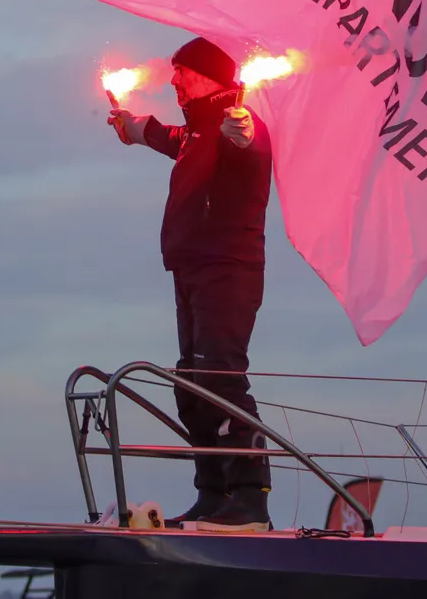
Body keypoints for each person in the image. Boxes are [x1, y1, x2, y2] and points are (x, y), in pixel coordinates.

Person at [107, 36, 273, 532]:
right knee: (192, 384)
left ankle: (249, 503)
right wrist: (133, 127)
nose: (174, 80)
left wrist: (242, 131)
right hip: (191, 270)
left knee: (220, 381)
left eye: (182, 71)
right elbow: (172, 139)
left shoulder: (236, 126)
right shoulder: (199, 132)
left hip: (227, 269)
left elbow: (246, 144)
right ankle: (214, 493)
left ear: (207, 76)